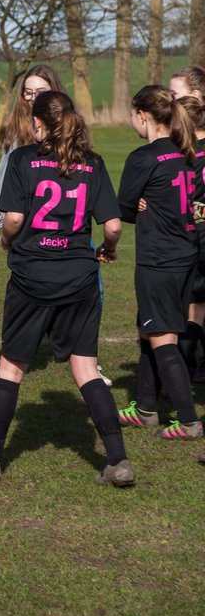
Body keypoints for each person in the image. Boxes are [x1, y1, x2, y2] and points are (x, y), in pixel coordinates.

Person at [0, 91, 131, 484]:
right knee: (86, 367)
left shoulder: (23, 159)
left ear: (38, 123)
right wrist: (106, 250)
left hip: (32, 277)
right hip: (79, 278)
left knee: (11, 365)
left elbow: (12, 218)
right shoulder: (93, 163)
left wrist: (8, 240)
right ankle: (118, 461)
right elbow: (112, 226)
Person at [114, 85, 204, 440]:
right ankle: (146, 407)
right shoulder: (187, 153)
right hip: (185, 255)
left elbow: (121, 210)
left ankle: (187, 420)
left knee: (162, 337)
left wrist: (137, 206)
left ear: (143, 116)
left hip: (158, 260)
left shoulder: (142, 157)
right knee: (149, 330)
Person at [0, 65, 65, 235]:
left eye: (40, 92)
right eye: (28, 92)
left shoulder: (69, 128)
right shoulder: (16, 130)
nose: (33, 98)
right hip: (30, 228)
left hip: (67, 222)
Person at [168, 66, 205, 381]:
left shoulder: (187, 149)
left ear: (196, 97)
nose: (170, 101)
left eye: (175, 95)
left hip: (194, 237)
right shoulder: (180, 145)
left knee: (194, 304)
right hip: (192, 234)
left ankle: (179, 369)